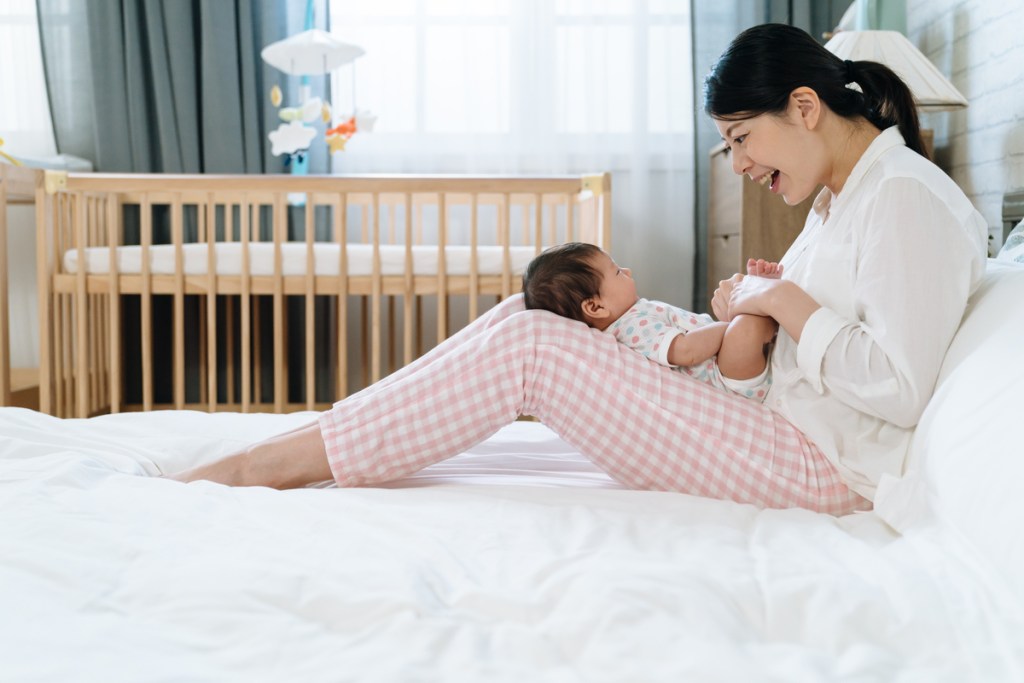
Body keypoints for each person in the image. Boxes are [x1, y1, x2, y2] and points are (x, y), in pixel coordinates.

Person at [169, 23, 987, 517]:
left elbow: (901, 386)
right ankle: (321, 433)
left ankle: (268, 466)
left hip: (818, 463)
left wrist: (782, 297)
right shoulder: (844, 197)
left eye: (742, 138)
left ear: (804, 107)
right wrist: (763, 299)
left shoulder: (905, 198)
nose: (738, 162)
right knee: (528, 317)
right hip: (771, 417)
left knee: (534, 348)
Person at [521, 242, 777, 401]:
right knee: (745, 331)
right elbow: (685, 351)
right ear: (596, 306)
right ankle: (763, 310)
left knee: (743, 322)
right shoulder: (629, 329)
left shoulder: (633, 316)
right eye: (618, 272)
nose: (628, 271)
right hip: (726, 378)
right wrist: (728, 328)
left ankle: (758, 307)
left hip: (725, 360)